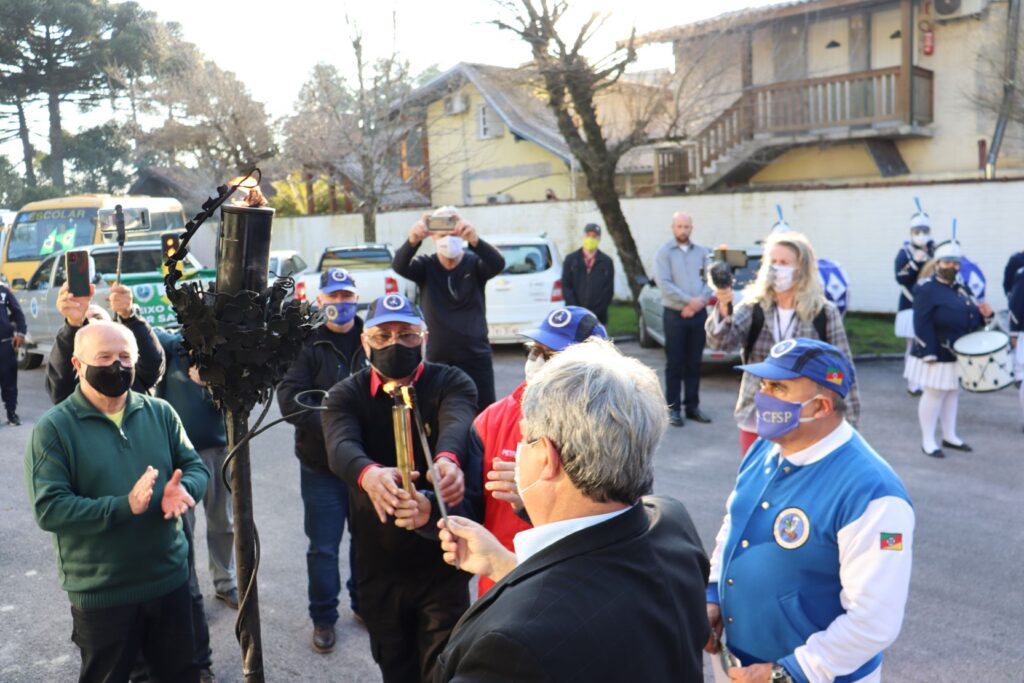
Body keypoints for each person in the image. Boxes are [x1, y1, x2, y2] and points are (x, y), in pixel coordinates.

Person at [434, 338, 710, 682]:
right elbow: (598, 589)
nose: (518, 451)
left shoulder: (507, 647)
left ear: (547, 458)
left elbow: (570, 602)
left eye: (524, 439)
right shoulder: (672, 522)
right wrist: (502, 563)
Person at [705, 337, 914, 683]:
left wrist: (788, 672)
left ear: (820, 407)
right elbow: (735, 522)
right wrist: (714, 593)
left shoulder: (874, 494)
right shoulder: (765, 448)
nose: (762, 395)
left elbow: (875, 621)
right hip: (741, 664)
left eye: (778, 387)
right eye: (763, 383)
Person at [24, 320, 209, 682]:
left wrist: (186, 489)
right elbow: (50, 509)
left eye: (125, 357)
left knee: (181, 673)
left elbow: (195, 466)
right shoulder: (54, 429)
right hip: (103, 593)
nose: (116, 366)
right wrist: (124, 506)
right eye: (104, 357)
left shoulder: (160, 412)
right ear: (77, 365)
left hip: (169, 581)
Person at [321, 294, 477, 683]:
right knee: (394, 665)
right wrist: (369, 475)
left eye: (406, 334)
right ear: (365, 342)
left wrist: (447, 461)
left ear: (424, 337)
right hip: (379, 564)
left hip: (442, 563)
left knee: (444, 667)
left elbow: (457, 420)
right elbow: (340, 446)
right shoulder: (344, 395)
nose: (395, 344)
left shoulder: (451, 381)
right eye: (383, 335)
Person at [466, 305, 608, 596]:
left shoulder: (612, 433)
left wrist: (532, 503)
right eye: (534, 351)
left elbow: (611, 527)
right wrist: (432, 509)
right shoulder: (492, 420)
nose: (538, 362)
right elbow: (469, 505)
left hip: (578, 592)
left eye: (553, 356)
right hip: (499, 590)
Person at [277, 268, 367, 653]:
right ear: (320, 301)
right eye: (333, 297)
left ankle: (363, 603)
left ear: (356, 299)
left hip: (366, 465)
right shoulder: (307, 343)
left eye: (347, 297)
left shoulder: (372, 336)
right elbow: (290, 399)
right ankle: (324, 617)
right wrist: (335, 428)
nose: (340, 304)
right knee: (324, 547)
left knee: (367, 541)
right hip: (321, 465)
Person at [707, 230, 860, 456]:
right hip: (758, 417)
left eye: (785, 263)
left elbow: (840, 372)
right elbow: (720, 343)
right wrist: (723, 306)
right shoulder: (754, 307)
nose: (777, 268)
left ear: (802, 269)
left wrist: (849, 426)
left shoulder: (823, 313)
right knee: (757, 477)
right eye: (773, 262)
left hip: (805, 421)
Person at [392, 206, 505, 412]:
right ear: (433, 237)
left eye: (453, 234)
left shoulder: (474, 264)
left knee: (484, 413)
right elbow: (399, 265)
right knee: (440, 413)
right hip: (439, 357)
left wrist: (475, 240)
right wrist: (413, 240)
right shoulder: (426, 266)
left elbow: (497, 263)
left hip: (475, 356)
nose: (448, 239)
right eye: (442, 235)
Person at [153, 328, 238, 603]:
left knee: (223, 522)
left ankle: (225, 582)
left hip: (218, 450)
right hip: (180, 455)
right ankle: (188, 590)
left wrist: (212, 381)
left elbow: (243, 392)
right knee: (183, 527)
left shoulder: (223, 351)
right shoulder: (171, 346)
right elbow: (148, 336)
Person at [907, 241, 992, 457]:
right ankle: (928, 441)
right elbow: (921, 322)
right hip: (937, 351)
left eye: (955, 263)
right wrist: (928, 352)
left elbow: (972, 317)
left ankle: (949, 436)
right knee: (934, 394)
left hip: (959, 352)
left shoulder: (961, 289)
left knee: (952, 393)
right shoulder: (927, 289)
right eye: (947, 262)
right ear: (937, 264)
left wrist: (986, 316)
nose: (952, 267)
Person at [47, 282, 166, 404]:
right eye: (84, 322)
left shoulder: (130, 371)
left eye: (98, 317)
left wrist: (129, 316)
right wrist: (73, 323)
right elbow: (59, 385)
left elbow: (153, 366)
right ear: (77, 364)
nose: (92, 322)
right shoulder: (75, 381)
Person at [655, 211, 713, 427]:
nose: (683, 230)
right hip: (675, 316)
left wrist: (698, 303)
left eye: (686, 227)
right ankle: (673, 409)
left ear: (691, 228)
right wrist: (689, 302)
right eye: (679, 226)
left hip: (698, 315)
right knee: (675, 364)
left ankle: (692, 407)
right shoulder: (664, 253)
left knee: (694, 363)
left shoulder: (702, 252)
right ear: (673, 228)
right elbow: (664, 283)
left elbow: (710, 281)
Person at [894, 210, 934, 396]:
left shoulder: (934, 251)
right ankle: (913, 383)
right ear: (911, 232)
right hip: (910, 305)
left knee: (929, 345)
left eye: (925, 230)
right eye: (917, 231)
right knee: (913, 346)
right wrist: (915, 262)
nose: (921, 234)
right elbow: (901, 277)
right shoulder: (904, 253)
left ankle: (927, 382)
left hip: (931, 305)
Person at [561, 223, 615, 324]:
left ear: (599, 239)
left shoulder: (606, 262)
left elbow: (608, 291)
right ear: (583, 236)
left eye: (594, 236)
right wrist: (578, 311)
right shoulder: (571, 260)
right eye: (588, 235)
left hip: (598, 317)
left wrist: (593, 314)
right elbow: (566, 287)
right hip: (574, 316)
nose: (591, 239)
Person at [1, 279, 27, 425]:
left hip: (5, 344)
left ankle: (11, 414)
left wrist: (21, 333)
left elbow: (18, 313)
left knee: (9, 382)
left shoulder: (3, 291)